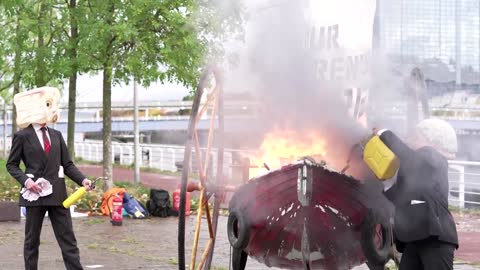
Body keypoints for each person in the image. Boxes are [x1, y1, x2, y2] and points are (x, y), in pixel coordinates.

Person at [7, 87, 92, 270]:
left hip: (58, 197)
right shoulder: (22, 136)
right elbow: (11, 165)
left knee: (68, 239)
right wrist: (27, 181)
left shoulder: (57, 135)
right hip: (34, 196)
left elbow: (67, 164)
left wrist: (82, 180)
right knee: (31, 241)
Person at [374, 118, 458, 270]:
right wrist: (385, 184)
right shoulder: (417, 167)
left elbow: (407, 155)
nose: (409, 140)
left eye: (415, 136)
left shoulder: (432, 156)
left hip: (435, 237)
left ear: (429, 140)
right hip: (415, 237)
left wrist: (382, 132)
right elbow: (400, 198)